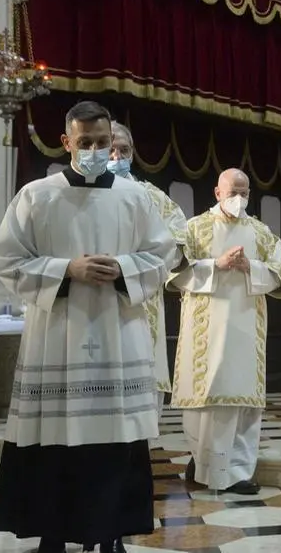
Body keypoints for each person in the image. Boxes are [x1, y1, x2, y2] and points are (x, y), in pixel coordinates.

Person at [0, 101, 176, 553]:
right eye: (85, 142)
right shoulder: (37, 195)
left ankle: (111, 533)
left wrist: (126, 266)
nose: (94, 150)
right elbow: (6, 260)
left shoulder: (136, 198)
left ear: (112, 142)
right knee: (55, 447)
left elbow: (163, 256)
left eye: (101, 142)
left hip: (116, 337)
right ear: (66, 141)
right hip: (57, 339)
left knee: (114, 447)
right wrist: (65, 269)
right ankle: (52, 536)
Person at [168, 168, 281, 495]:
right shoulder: (194, 228)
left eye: (244, 193)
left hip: (245, 327)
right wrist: (215, 265)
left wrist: (253, 267)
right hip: (205, 332)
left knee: (243, 404)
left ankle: (236, 473)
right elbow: (174, 273)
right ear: (217, 192)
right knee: (204, 400)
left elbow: (279, 275)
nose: (238, 199)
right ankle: (200, 461)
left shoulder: (261, 234)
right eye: (232, 192)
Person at [108, 121, 188, 420]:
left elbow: (178, 238)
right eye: (111, 149)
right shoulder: (80, 194)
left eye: (124, 150)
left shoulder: (151, 196)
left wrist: (142, 261)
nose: (117, 157)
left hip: (142, 297)